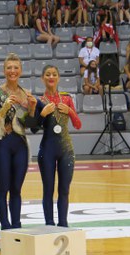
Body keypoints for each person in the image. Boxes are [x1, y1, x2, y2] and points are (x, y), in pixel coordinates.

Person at [0, 53, 43, 230]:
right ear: (4, 70)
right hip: (3, 145)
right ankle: (5, 228)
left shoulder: (26, 94)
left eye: (16, 68)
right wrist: (5, 108)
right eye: (9, 68)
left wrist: (32, 110)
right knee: (3, 188)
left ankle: (16, 227)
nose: (12, 71)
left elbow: (32, 127)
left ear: (21, 71)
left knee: (16, 189)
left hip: (21, 146)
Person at [38, 65, 82, 227]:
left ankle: (63, 224)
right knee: (48, 190)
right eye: (47, 74)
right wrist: (42, 113)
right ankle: (49, 224)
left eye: (54, 74)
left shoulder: (67, 99)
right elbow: (34, 127)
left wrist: (70, 111)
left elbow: (78, 125)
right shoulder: (40, 102)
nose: (51, 77)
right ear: (42, 78)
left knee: (64, 189)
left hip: (66, 150)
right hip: (47, 150)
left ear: (58, 78)